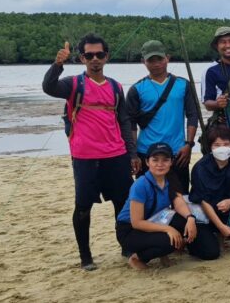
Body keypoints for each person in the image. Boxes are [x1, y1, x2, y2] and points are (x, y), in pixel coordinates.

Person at [42, 34, 136, 271]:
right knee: (83, 207)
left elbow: (124, 121)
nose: (95, 59)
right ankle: (85, 257)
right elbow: (49, 87)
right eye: (89, 55)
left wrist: (132, 153)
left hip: (116, 154)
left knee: (123, 203)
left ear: (107, 57)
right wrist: (57, 65)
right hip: (85, 156)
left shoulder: (115, 87)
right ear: (82, 58)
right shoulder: (73, 84)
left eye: (99, 54)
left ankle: (126, 247)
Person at [117, 143, 220, 269]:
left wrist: (190, 218)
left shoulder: (168, 180)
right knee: (170, 241)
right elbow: (137, 223)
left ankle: (188, 246)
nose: (160, 164)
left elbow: (178, 202)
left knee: (188, 227)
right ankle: (137, 257)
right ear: (147, 162)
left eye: (165, 160)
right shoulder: (140, 185)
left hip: (155, 220)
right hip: (130, 230)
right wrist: (168, 229)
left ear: (171, 162)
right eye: (155, 160)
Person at [126, 40, 200, 196]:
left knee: (180, 196)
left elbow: (193, 115)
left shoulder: (183, 84)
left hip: (178, 152)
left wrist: (189, 144)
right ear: (143, 61)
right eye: (151, 60)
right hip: (146, 152)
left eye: (159, 59)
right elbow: (130, 124)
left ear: (167, 58)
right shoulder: (136, 89)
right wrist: (133, 154)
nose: (156, 64)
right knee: (148, 197)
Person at [189, 126, 230, 249]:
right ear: (210, 147)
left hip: (226, 208)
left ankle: (222, 234)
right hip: (204, 213)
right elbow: (203, 201)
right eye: (217, 145)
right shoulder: (200, 168)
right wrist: (221, 227)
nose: (222, 148)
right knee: (210, 252)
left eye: (226, 144)